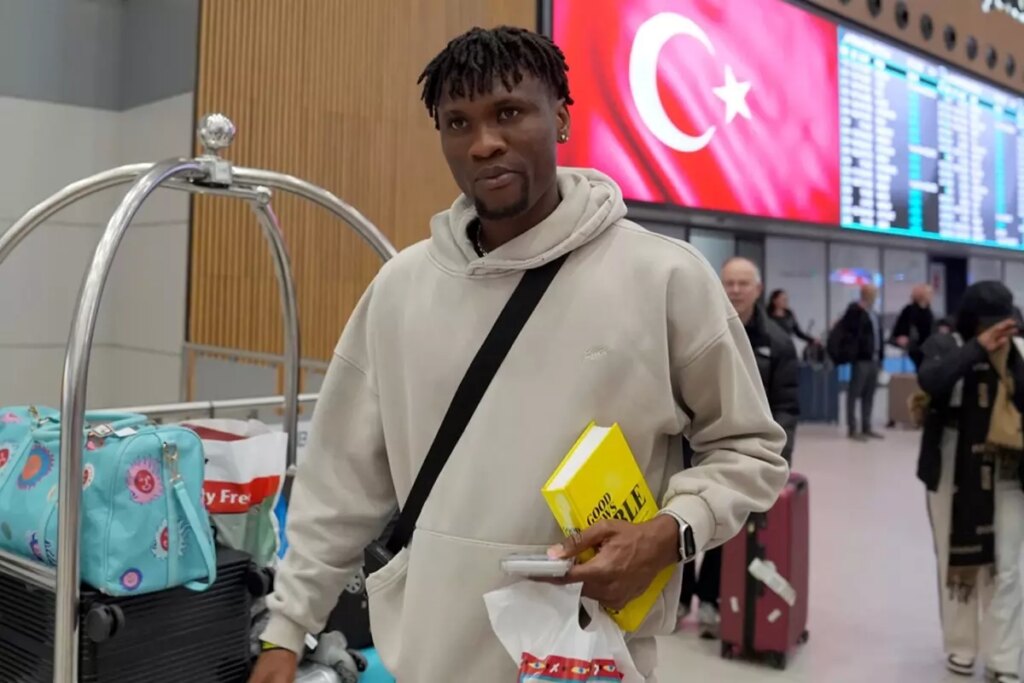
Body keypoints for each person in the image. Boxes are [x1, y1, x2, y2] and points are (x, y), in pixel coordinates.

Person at [249, 26, 789, 683]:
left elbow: (750, 448)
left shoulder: (663, 278)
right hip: (430, 657)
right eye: (458, 122)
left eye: (509, 112)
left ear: (561, 118)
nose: (483, 142)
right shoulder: (400, 290)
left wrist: (669, 532)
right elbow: (339, 484)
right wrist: (287, 630)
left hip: (587, 660)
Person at [680, 258, 799, 638]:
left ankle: (712, 598)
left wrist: (778, 459)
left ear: (758, 289)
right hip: (691, 446)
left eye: (743, 283)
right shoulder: (700, 329)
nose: (734, 290)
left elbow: (786, 406)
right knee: (681, 518)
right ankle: (679, 596)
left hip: (740, 453)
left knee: (724, 524)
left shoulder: (779, 343)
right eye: (728, 282)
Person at [916, 281, 1024, 682]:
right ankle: (961, 646)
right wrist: (977, 348)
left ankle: (1004, 658)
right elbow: (932, 379)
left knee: (1006, 566)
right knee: (954, 560)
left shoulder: (1019, 350)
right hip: (950, 464)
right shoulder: (945, 344)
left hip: (1008, 468)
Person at [836, 284, 884, 441]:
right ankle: (852, 427)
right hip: (861, 359)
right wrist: (858, 310)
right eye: (871, 293)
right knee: (854, 393)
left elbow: (878, 336)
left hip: (874, 358)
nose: (874, 297)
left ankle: (866, 426)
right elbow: (850, 329)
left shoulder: (874, 314)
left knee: (869, 394)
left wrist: (881, 357)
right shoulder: (855, 311)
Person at [891, 284, 935, 369]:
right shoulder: (910, 310)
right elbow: (901, 328)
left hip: (928, 346)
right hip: (916, 347)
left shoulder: (927, 310)